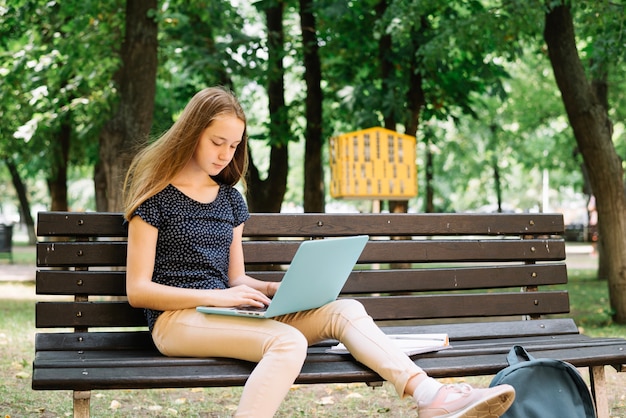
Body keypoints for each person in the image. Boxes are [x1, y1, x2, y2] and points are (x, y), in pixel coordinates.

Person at [123, 86, 515, 418]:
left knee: (345, 310)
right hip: (174, 322)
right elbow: (138, 290)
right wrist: (219, 297)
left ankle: (432, 398)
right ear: (191, 133)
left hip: (222, 312)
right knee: (287, 341)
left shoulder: (229, 199)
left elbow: (235, 279)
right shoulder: (156, 197)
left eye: (235, 145)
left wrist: (281, 289)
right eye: (217, 142)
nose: (226, 154)